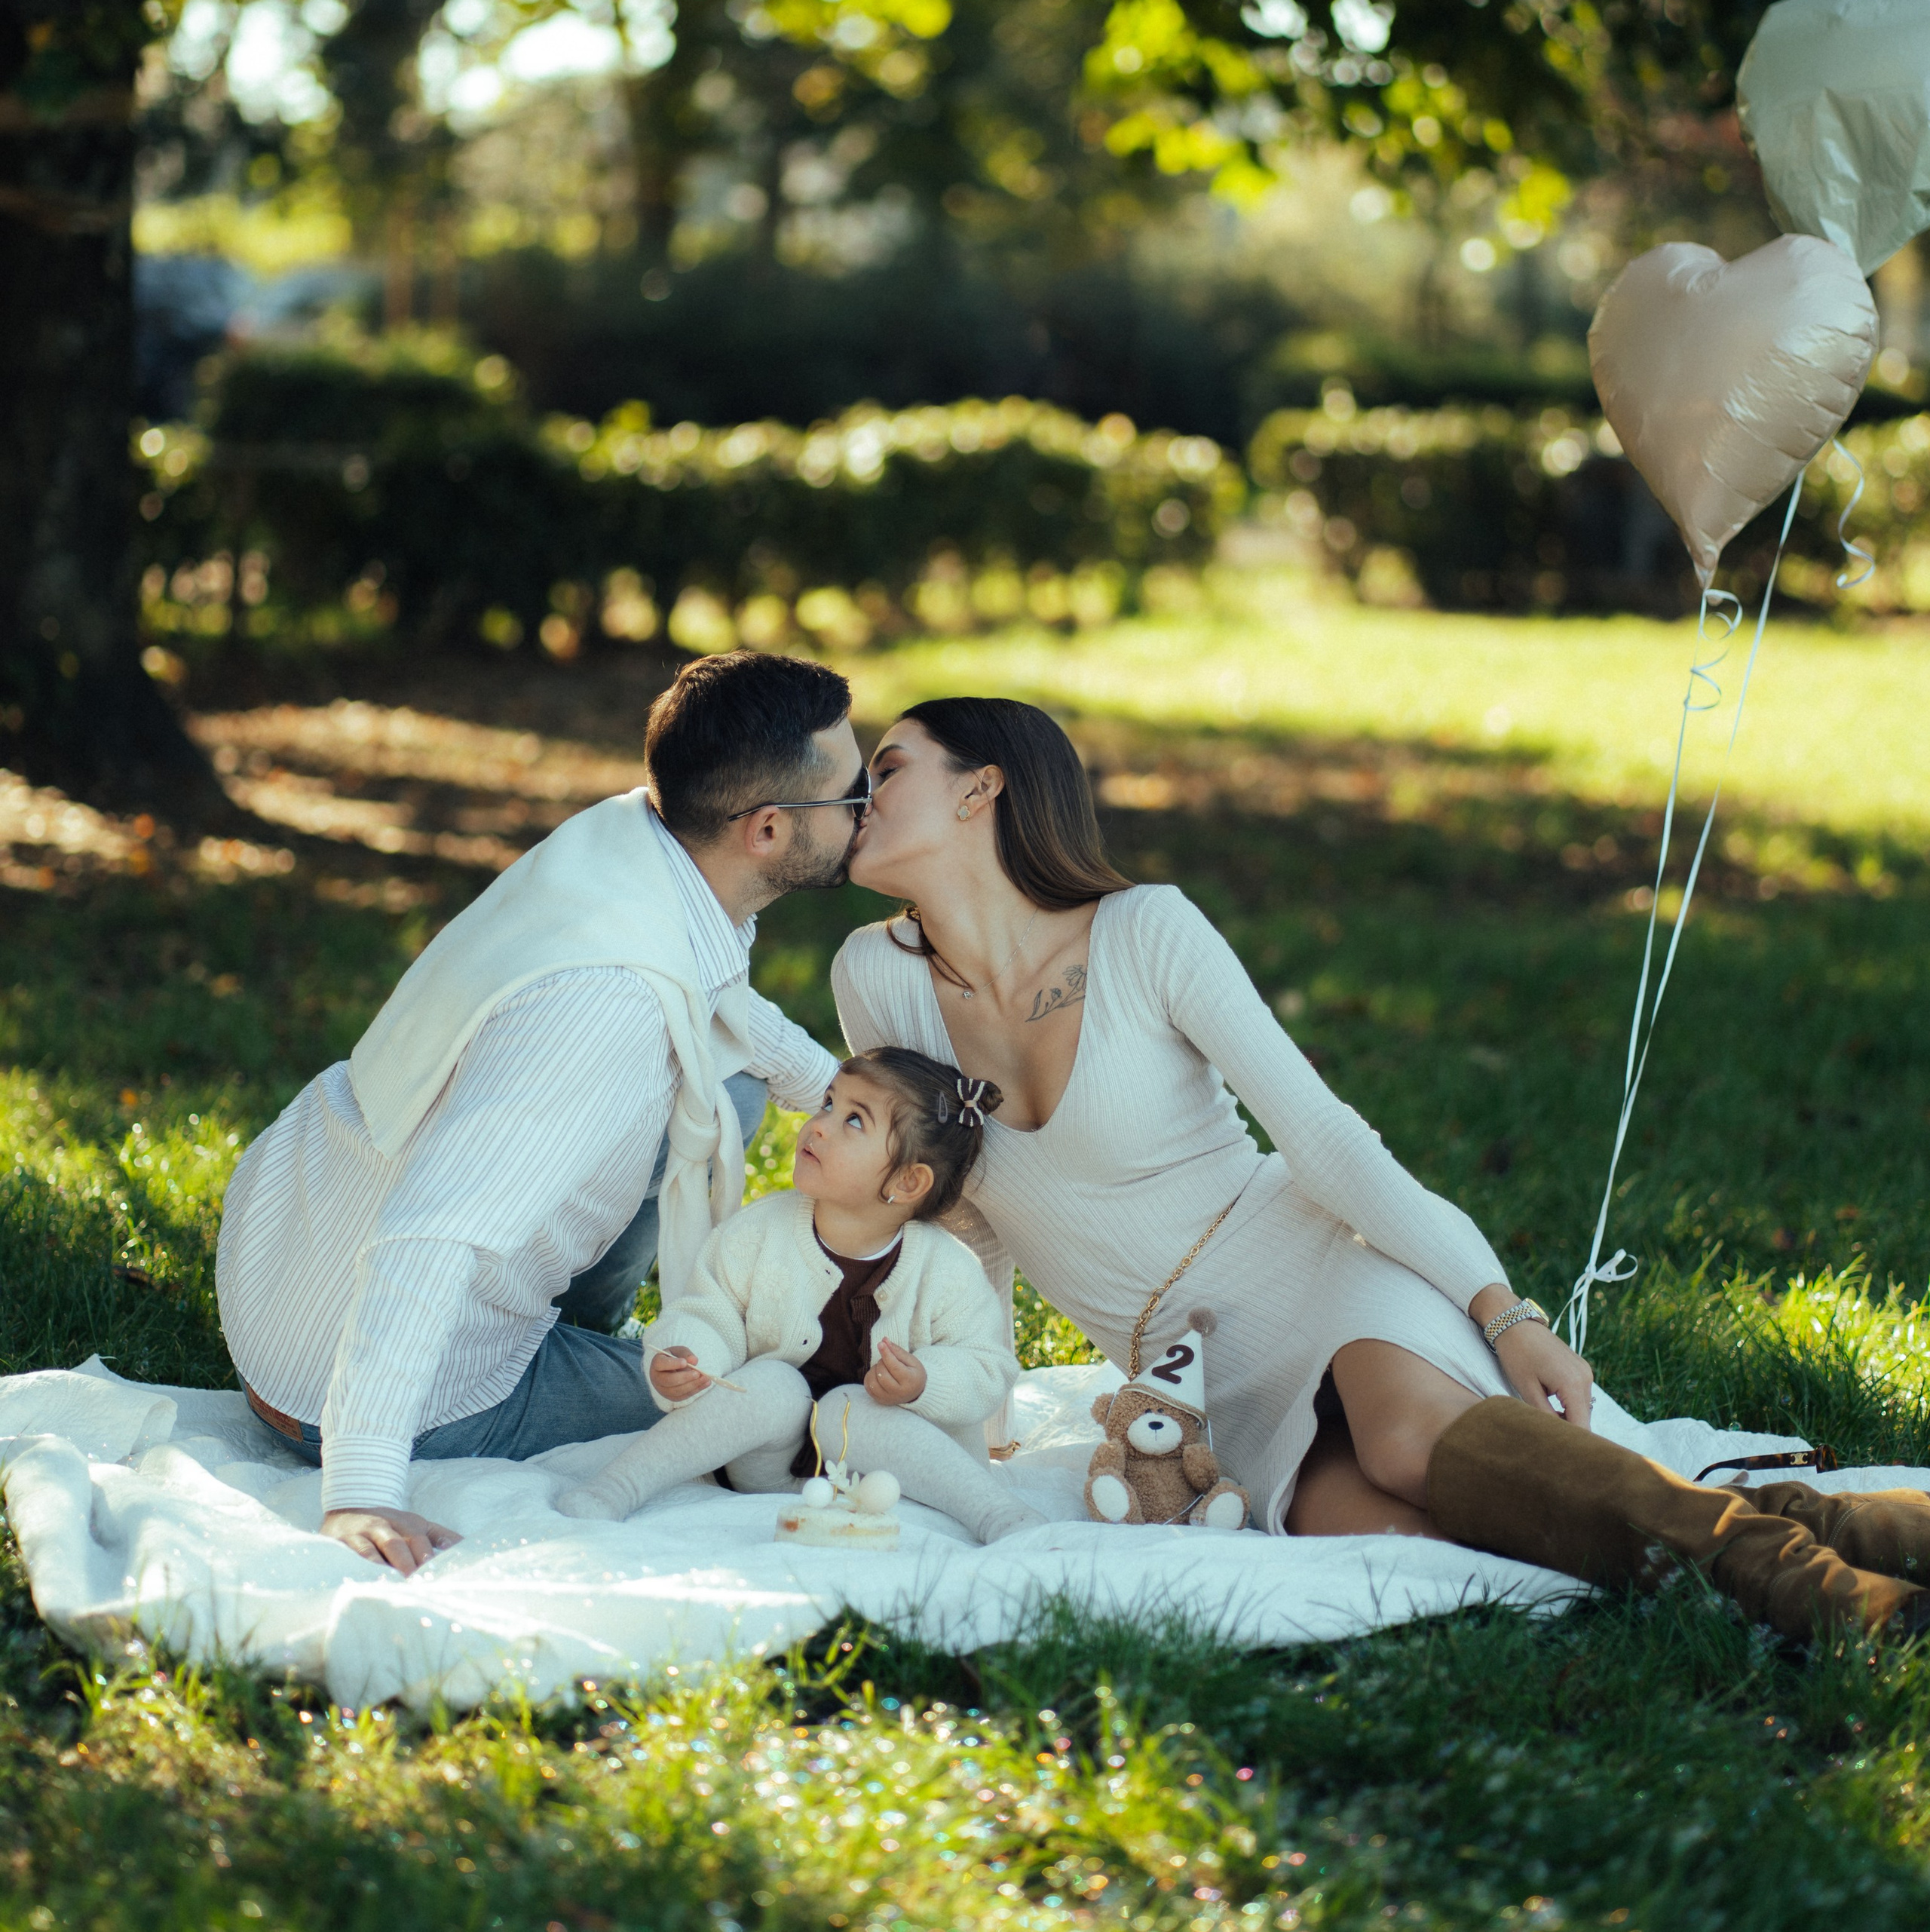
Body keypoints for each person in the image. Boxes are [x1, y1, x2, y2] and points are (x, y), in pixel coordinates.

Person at [829, 697, 1930, 1641]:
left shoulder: (1145, 930)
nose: (859, 794)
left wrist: (1505, 1312)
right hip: (1194, 1377)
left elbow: (1328, 1142)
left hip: (1311, 1267)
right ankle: (1837, 1526)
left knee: (1408, 1442)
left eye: (889, 766)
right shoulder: (874, 979)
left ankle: (1825, 1597)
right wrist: (977, 1399)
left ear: (982, 790)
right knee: (1425, 1537)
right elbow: (953, 1211)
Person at [216, 651, 863, 1575]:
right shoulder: (603, 1004)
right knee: (773, 1395)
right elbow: (427, 1235)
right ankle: (539, 1365)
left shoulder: (632, 850)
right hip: (357, 1384)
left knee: (731, 1088)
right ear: (767, 829)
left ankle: (580, 1330)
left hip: (290, 1266)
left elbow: (716, 997)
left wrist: (852, 1100)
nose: (868, 808)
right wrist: (361, 1486)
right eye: (853, 794)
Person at [556, 1047, 1041, 1544]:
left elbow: (988, 1368)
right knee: (773, 1383)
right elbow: (708, 1311)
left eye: (854, 1120)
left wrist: (925, 1383)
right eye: (829, 1103)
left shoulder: (947, 1269)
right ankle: (616, 1487)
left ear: (908, 1180)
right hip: (768, 1468)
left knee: (849, 1408)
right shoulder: (758, 1233)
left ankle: (996, 1513)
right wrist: (690, 1356)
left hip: (897, 1470)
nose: (820, 1125)